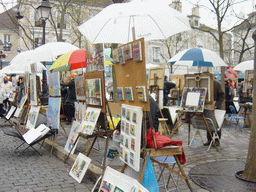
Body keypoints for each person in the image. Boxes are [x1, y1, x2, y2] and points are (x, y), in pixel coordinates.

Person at [204, 79, 225, 146]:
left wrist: (217, 104)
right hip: (207, 106)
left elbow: (222, 95)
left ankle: (216, 140)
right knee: (208, 123)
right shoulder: (204, 82)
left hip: (215, 107)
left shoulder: (216, 83)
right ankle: (209, 139)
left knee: (216, 124)